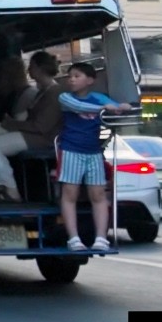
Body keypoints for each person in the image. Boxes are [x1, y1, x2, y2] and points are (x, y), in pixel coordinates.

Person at [0, 50, 65, 202]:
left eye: (31, 66)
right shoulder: (42, 92)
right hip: (33, 134)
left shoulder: (55, 93)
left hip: (44, 138)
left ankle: (9, 187)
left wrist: (12, 124)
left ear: (38, 68)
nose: (29, 70)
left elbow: (41, 126)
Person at [57, 61, 132, 251]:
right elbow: (78, 107)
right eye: (70, 76)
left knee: (98, 194)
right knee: (69, 193)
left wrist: (123, 106)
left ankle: (101, 238)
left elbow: (119, 108)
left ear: (90, 80)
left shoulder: (99, 97)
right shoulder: (65, 97)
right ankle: (73, 238)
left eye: (77, 76)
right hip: (71, 150)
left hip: (94, 151)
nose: (72, 80)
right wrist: (105, 108)